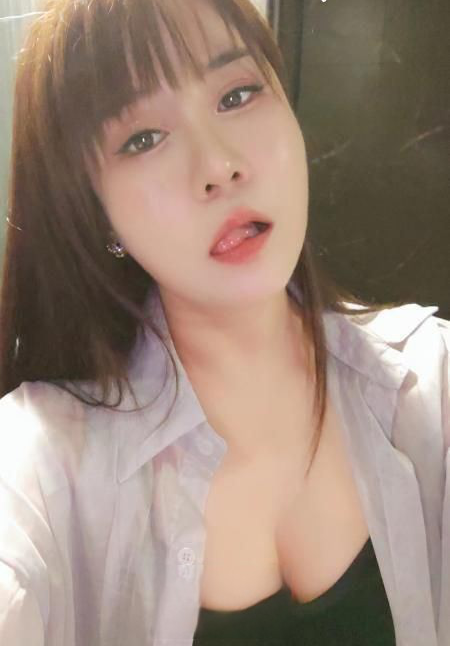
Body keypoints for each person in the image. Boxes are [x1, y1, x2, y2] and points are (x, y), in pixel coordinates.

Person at [0, 0, 448, 644]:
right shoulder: (45, 471)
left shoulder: (430, 385)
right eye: (143, 139)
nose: (219, 166)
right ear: (96, 213)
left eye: (237, 95)